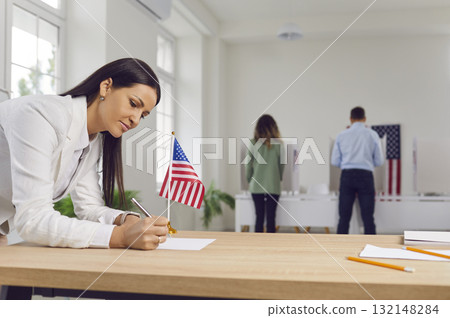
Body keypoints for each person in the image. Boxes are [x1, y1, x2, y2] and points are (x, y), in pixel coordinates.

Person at [0, 58, 168, 249]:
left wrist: (125, 220)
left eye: (143, 115)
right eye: (133, 104)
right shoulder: (41, 116)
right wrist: (121, 236)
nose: (136, 120)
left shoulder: (91, 140)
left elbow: (88, 208)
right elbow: (33, 219)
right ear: (106, 86)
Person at [331, 106, 384, 234]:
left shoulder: (341, 135)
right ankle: (371, 249)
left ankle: (338, 249)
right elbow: (379, 161)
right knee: (368, 218)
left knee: (344, 217)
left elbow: (335, 161)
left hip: (347, 176)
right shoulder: (373, 135)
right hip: (366, 176)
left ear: (350, 119)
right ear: (364, 119)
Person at [246, 114, 285, 233]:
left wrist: (249, 180)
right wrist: (278, 179)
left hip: (256, 186)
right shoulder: (279, 144)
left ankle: (257, 247)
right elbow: (281, 166)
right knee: (271, 219)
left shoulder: (253, 143)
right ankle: (270, 247)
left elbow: (247, 165)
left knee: (259, 218)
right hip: (273, 186)